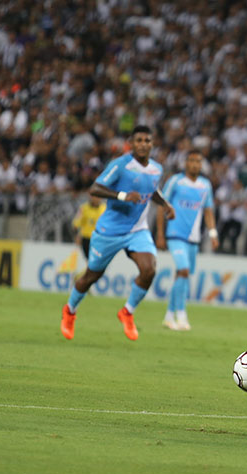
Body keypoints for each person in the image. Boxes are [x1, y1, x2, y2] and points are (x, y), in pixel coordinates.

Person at [60, 125, 175, 341]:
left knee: (149, 270)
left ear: (152, 144)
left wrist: (165, 204)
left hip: (138, 231)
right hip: (109, 232)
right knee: (92, 276)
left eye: (147, 140)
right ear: (131, 143)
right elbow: (95, 189)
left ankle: (127, 312)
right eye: (138, 140)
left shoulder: (156, 169)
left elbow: (151, 190)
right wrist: (122, 196)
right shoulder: (121, 165)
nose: (143, 144)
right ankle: (70, 310)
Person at [156, 149, 219, 331]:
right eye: (191, 160)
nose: (194, 164)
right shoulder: (176, 181)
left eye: (198, 161)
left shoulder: (205, 185)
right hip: (175, 235)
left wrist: (213, 234)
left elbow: (208, 211)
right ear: (185, 163)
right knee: (183, 271)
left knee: (182, 275)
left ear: (201, 164)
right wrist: (160, 234)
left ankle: (169, 316)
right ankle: (182, 315)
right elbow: (162, 205)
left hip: (194, 238)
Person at [72, 194, 106, 259]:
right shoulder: (84, 208)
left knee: (99, 260)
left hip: (99, 239)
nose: (96, 199)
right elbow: (76, 223)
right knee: (89, 260)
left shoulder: (104, 209)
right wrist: (77, 235)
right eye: (95, 196)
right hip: (87, 239)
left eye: (98, 196)